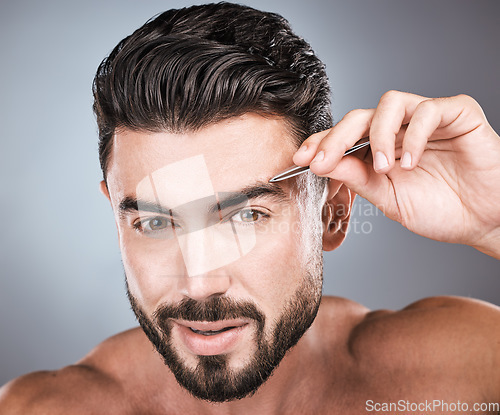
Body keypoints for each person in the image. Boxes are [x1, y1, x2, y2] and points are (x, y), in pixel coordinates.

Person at [1, 2, 499, 414]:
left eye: (245, 215)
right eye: (154, 222)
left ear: (332, 213)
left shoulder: (461, 376)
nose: (199, 283)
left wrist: (494, 221)